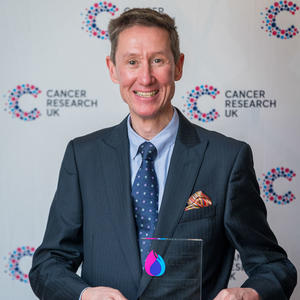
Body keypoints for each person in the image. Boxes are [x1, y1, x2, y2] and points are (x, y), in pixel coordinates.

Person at [29, 8, 297, 300]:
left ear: (178, 66)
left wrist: (251, 295)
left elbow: (275, 267)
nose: (145, 78)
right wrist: (83, 295)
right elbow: (48, 265)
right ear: (112, 69)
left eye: (157, 60)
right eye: (132, 62)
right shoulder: (83, 157)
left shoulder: (227, 159)